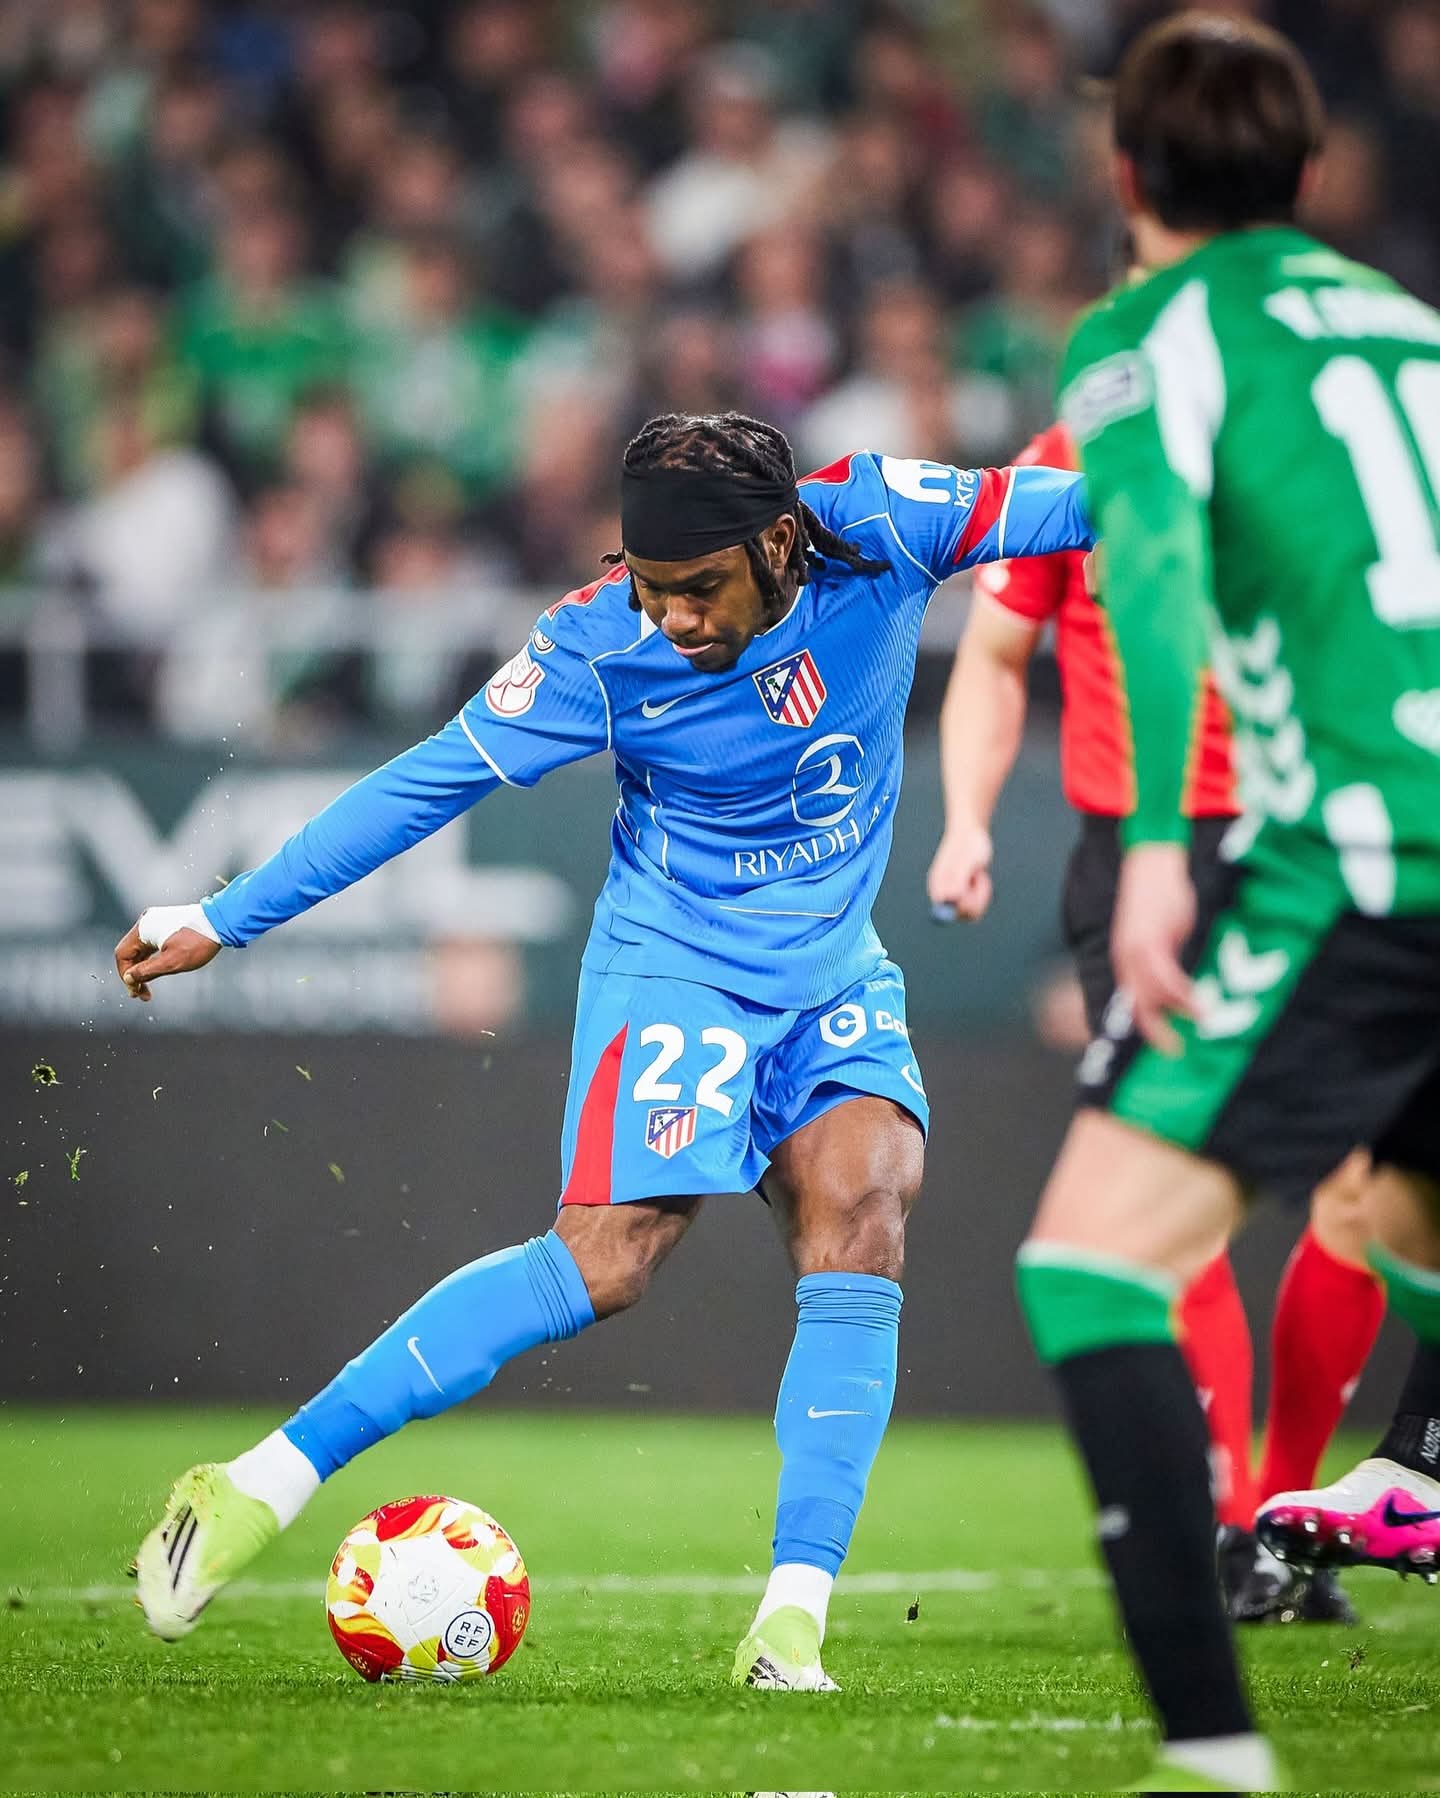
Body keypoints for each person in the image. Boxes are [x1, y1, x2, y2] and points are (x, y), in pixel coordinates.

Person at [114, 410, 1093, 1690]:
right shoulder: (595, 645)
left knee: (864, 1217)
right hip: (679, 964)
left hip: (832, 970)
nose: (674, 617)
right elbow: (424, 785)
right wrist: (224, 915)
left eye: (699, 587)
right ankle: (259, 1480)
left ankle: (790, 1625)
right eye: (651, 585)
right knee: (610, 1258)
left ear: (780, 541)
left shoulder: (885, 524)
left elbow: (1090, 501)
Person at [1014, 15, 1440, 1791]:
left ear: (1126, 175)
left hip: (1367, 862)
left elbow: (1155, 575)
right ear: (1312, 174)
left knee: (1089, 1262)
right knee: (1399, 1219)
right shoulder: (1414, 330)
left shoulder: (1144, 338)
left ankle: (1212, 1750)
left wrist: (1150, 862)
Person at [926, 412, 1384, 1626]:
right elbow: (995, 653)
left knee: (1364, 1191)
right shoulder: (1071, 456)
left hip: (1311, 851)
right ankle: (1235, 1526)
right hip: (1147, 861)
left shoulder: (1311, 433)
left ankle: (1280, 1522)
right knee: (1169, 1191)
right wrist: (966, 821)